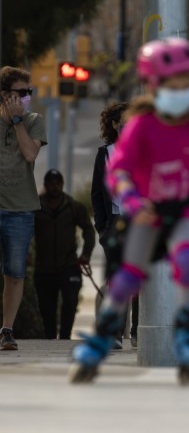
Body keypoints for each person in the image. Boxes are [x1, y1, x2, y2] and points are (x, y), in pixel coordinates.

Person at [69, 38, 189, 384]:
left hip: (181, 209)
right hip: (145, 210)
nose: (181, 91)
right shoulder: (141, 126)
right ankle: (102, 337)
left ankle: (188, 336)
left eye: (187, 83)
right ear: (153, 85)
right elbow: (118, 173)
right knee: (129, 277)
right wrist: (131, 201)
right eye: (173, 84)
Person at [1, 66, 47, 351]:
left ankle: (6, 329)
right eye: (21, 92)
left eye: (29, 92)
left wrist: (17, 120)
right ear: (5, 95)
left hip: (20, 210)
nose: (27, 97)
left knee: (15, 273)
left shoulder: (33, 121)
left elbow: (30, 154)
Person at [91, 101, 135, 349]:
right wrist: (102, 227)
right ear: (115, 125)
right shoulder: (105, 154)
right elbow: (97, 194)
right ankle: (116, 334)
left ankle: (138, 331)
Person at [33, 169, 95, 340]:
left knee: (70, 302)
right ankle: (50, 338)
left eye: (57, 183)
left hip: (69, 266)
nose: (54, 187)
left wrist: (86, 255)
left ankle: (65, 337)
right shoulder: (36, 207)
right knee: (46, 308)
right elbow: (25, 232)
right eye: (50, 183)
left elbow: (89, 230)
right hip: (43, 268)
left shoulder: (74, 206)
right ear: (45, 185)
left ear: (62, 184)